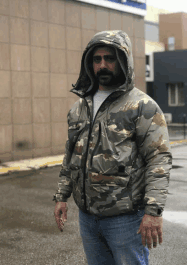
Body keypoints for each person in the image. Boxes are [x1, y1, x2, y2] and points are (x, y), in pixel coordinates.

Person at [53, 30, 172, 265]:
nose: (102, 65)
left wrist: (153, 212)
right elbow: (70, 157)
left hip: (126, 219)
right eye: (97, 60)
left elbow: (159, 159)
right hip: (88, 218)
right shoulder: (79, 108)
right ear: (90, 63)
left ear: (123, 61)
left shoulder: (142, 106)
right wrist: (61, 196)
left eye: (110, 58)